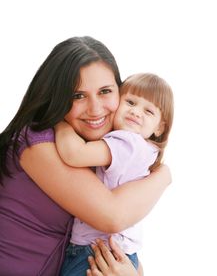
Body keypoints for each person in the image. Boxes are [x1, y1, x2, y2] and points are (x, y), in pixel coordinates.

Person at [0, 36, 172, 276]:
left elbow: (121, 245)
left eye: (105, 91)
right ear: (57, 97)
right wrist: (163, 176)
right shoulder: (36, 142)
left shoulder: (100, 152)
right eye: (77, 96)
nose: (95, 109)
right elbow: (112, 217)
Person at [55, 72, 174, 276]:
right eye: (130, 102)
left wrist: (60, 122)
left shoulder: (128, 143)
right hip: (117, 250)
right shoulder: (146, 150)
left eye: (148, 111)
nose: (136, 112)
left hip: (95, 250)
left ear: (160, 127)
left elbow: (74, 154)